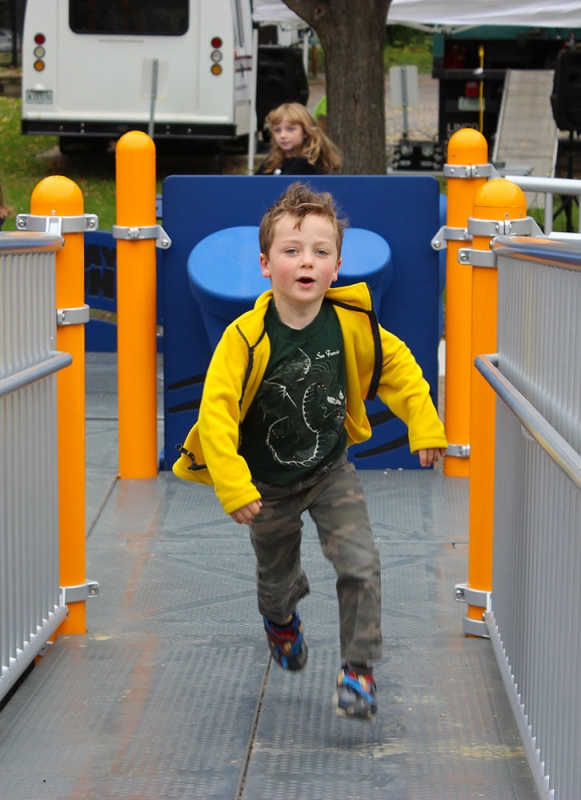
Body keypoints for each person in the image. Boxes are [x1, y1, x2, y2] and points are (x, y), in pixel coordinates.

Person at [173, 183, 447, 720]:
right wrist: (233, 485)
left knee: (361, 564)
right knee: (276, 583)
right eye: (292, 251)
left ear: (337, 265)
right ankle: (281, 623)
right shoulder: (246, 338)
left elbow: (400, 369)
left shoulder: (351, 323)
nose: (307, 262)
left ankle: (358, 671)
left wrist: (425, 425)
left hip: (329, 472)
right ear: (265, 264)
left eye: (321, 253)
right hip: (266, 486)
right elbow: (217, 413)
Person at [255, 102, 341, 175]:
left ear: (305, 132)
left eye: (290, 129)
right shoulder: (274, 160)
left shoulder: (306, 164)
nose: (283, 135)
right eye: (277, 130)